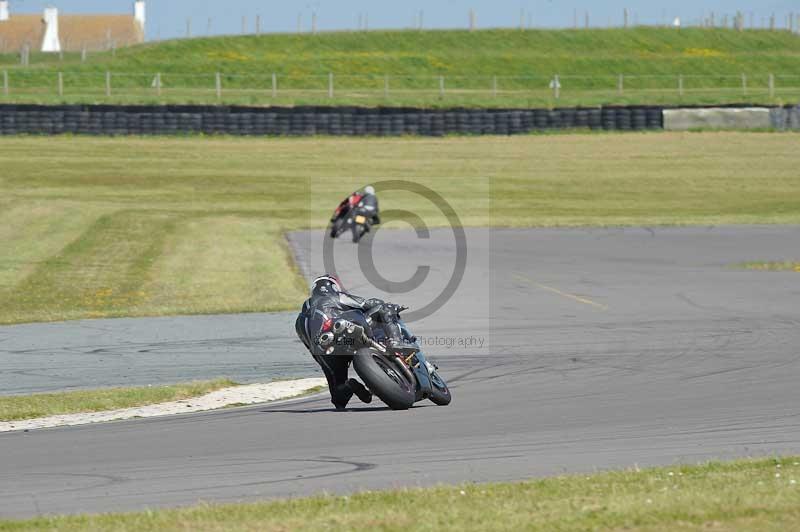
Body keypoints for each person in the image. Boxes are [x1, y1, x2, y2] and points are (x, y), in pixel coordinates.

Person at [295, 274, 413, 410]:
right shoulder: (336, 296)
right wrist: (384, 305)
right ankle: (395, 342)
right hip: (349, 333)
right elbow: (368, 304)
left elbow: (311, 348)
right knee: (385, 308)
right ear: (333, 287)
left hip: (327, 354)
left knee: (339, 399)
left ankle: (350, 385)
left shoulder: (300, 320)